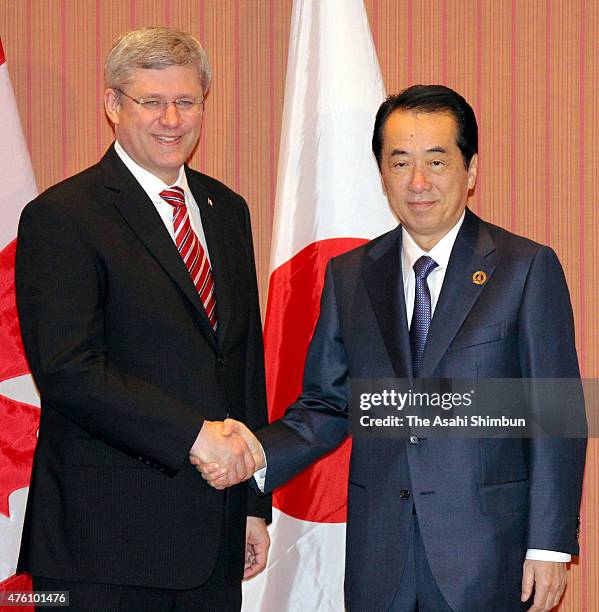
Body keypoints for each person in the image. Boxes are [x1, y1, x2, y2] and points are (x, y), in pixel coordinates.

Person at [198, 85, 586, 612]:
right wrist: (257, 454)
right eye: (400, 162)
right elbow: (330, 403)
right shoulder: (351, 275)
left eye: (437, 161)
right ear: (382, 174)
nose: (418, 182)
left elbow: (555, 415)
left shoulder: (525, 268)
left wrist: (549, 545)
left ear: (471, 171)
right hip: (381, 557)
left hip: (489, 554)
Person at [15, 26, 270, 612]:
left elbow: (243, 358)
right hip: (102, 544)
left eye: (186, 102)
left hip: (215, 530)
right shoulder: (63, 216)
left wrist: (253, 504)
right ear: (113, 106)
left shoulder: (227, 209)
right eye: (150, 102)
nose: (171, 119)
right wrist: (194, 436)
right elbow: (68, 371)